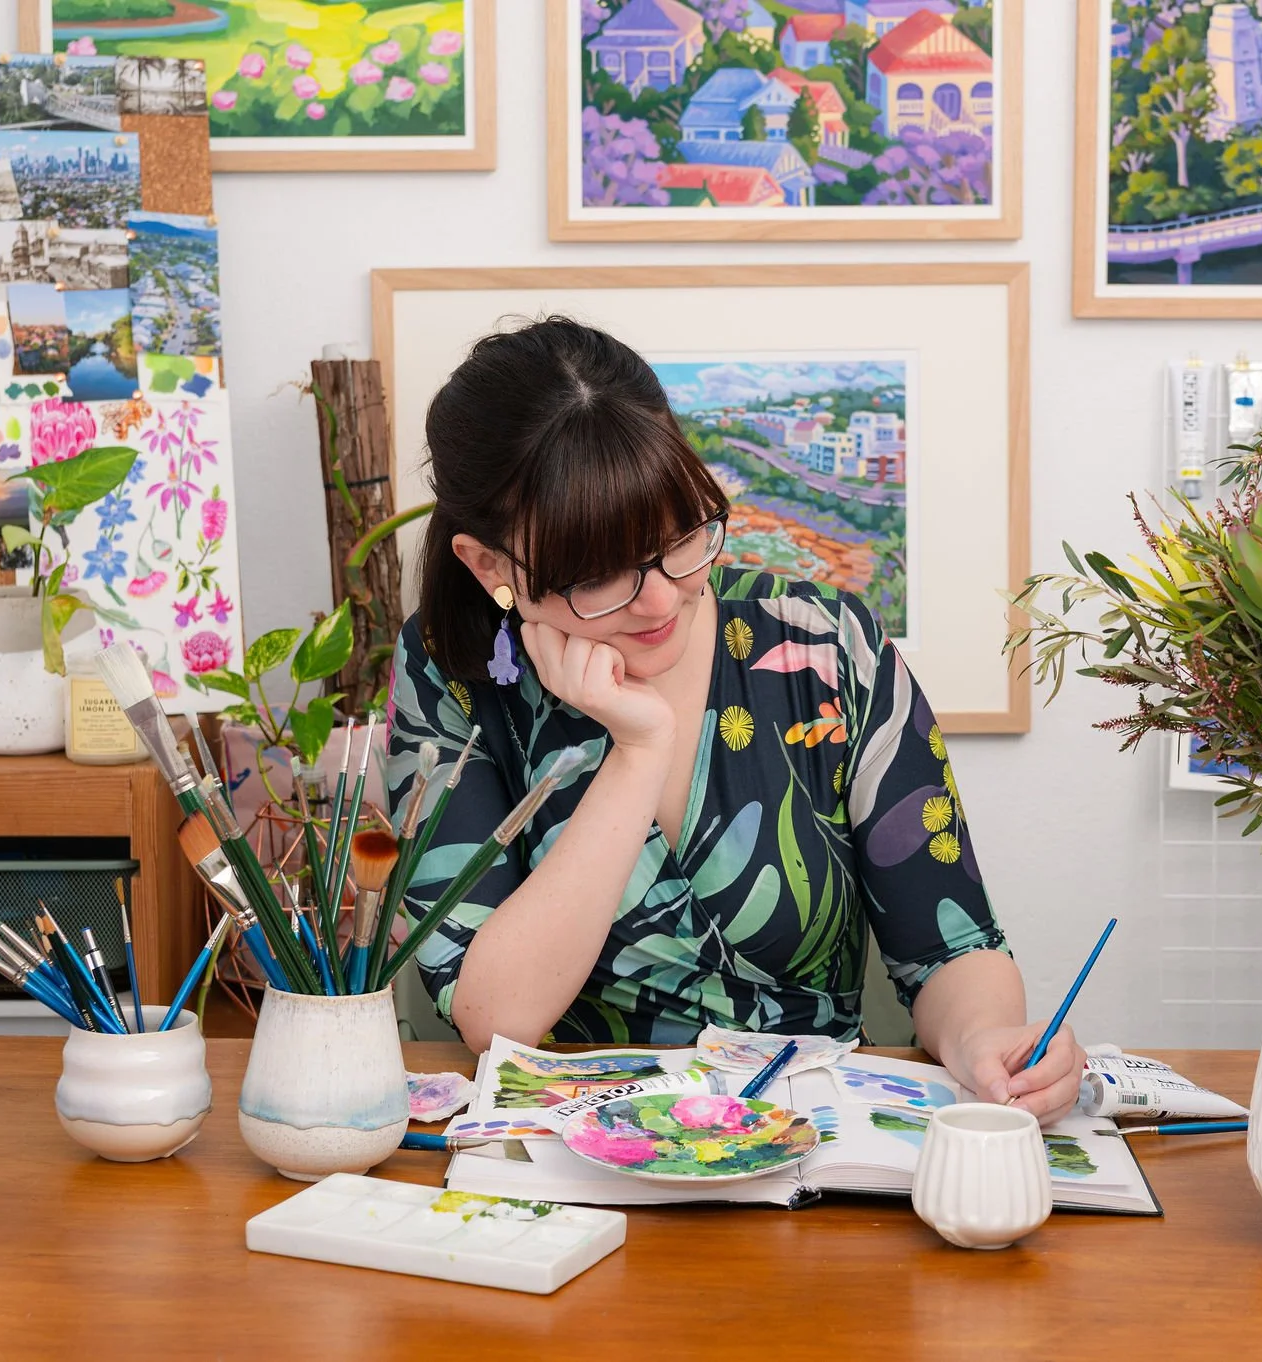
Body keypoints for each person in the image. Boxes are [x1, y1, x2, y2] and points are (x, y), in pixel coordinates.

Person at [385, 318, 1083, 1123]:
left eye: (678, 537)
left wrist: (987, 1042)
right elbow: (496, 1016)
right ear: (489, 566)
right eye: (596, 574)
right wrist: (638, 750)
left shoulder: (825, 645)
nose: (661, 599)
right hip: (579, 1153)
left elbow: (950, 946)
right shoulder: (451, 677)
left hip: (817, 1147)